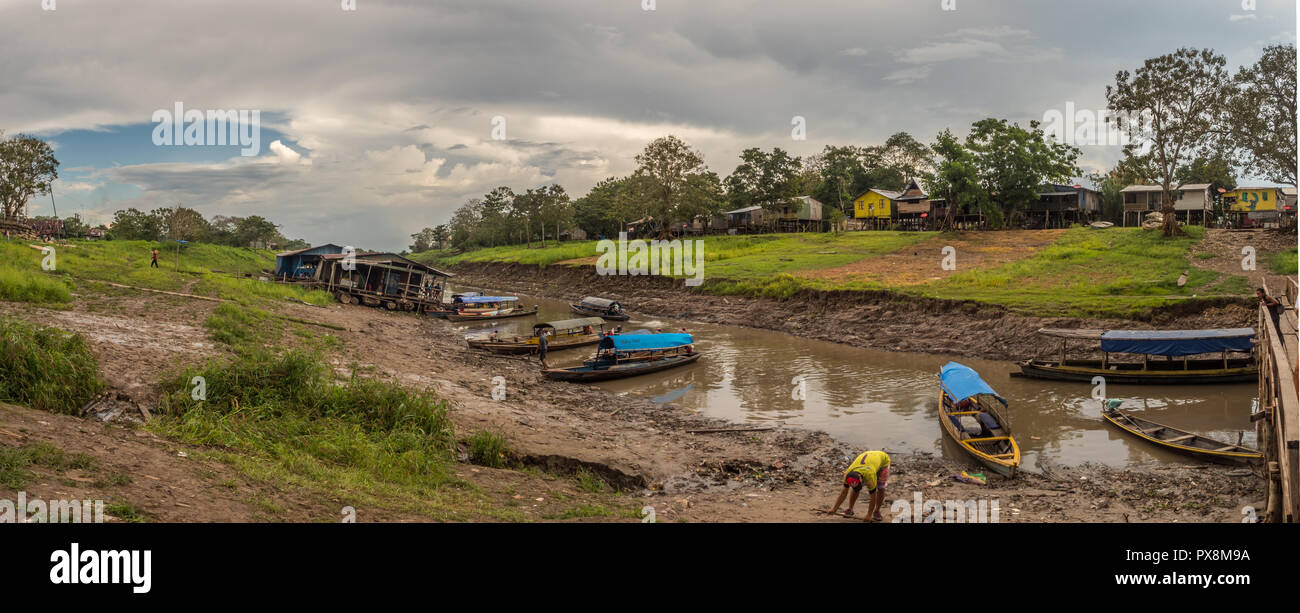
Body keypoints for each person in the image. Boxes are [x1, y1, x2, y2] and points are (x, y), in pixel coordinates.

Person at [825, 450, 890, 522]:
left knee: (881, 487)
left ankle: (877, 511)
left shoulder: (869, 475)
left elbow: (873, 496)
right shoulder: (847, 474)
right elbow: (843, 493)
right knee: (855, 489)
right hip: (868, 460)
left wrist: (869, 515)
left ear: (860, 478)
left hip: (882, 461)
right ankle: (850, 509)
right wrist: (834, 508)